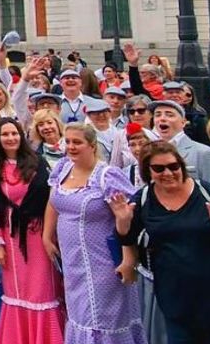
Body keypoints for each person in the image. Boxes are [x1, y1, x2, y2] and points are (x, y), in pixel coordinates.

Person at [43, 123, 144, 343]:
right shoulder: (62, 168)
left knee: (102, 317)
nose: (71, 146)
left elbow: (129, 218)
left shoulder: (107, 176)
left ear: (92, 145)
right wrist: (46, 235)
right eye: (68, 141)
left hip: (103, 262)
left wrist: (128, 258)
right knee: (79, 314)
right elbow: (53, 202)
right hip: (72, 261)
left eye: (77, 142)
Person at [114, 141, 210, 344]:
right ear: (148, 171)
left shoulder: (205, 192)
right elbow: (127, 238)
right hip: (173, 294)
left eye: (173, 166)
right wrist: (123, 223)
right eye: (159, 168)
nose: (168, 173)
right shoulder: (143, 198)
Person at [0, 118, 64, 344]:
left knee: (44, 289)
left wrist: (50, 234)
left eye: (14, 133)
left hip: (39, 232)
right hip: (11, 236)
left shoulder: (37, 162)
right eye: (5, 135)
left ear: (22, 135)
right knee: (18, 291)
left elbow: (51, 199)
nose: (11, 138)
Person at [149, 99, 210, 186]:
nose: (162, 118)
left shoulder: (205, 153)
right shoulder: (149, 152)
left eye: (169, 115)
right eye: (158, 115)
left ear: (183, 122)